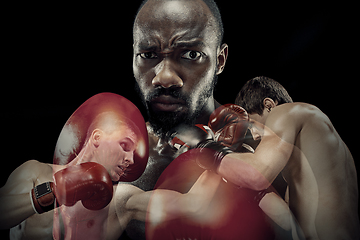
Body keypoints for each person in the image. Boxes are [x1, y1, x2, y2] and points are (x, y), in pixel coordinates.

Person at [192, 76, 359, 239]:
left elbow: (257, 174)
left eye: (253, 125)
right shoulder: (324, 155)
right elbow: (291, 224)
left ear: (269, 105)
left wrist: (204, 148)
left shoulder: (285, 112)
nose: (256, 136)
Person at [127, 0, 229, 237]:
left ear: (220, 61)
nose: (164, 78)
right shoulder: (115, 157)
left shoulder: (265, 149)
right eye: (149, 54)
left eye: (191, 54)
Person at [0, 93, 149, 240]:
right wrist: (53, 193)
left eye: (133, 153)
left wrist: (174, 141)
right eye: (124, 145)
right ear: (97, 138)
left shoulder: (119, 198)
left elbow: (167, 206)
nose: (131, 159)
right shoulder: (36, 172)